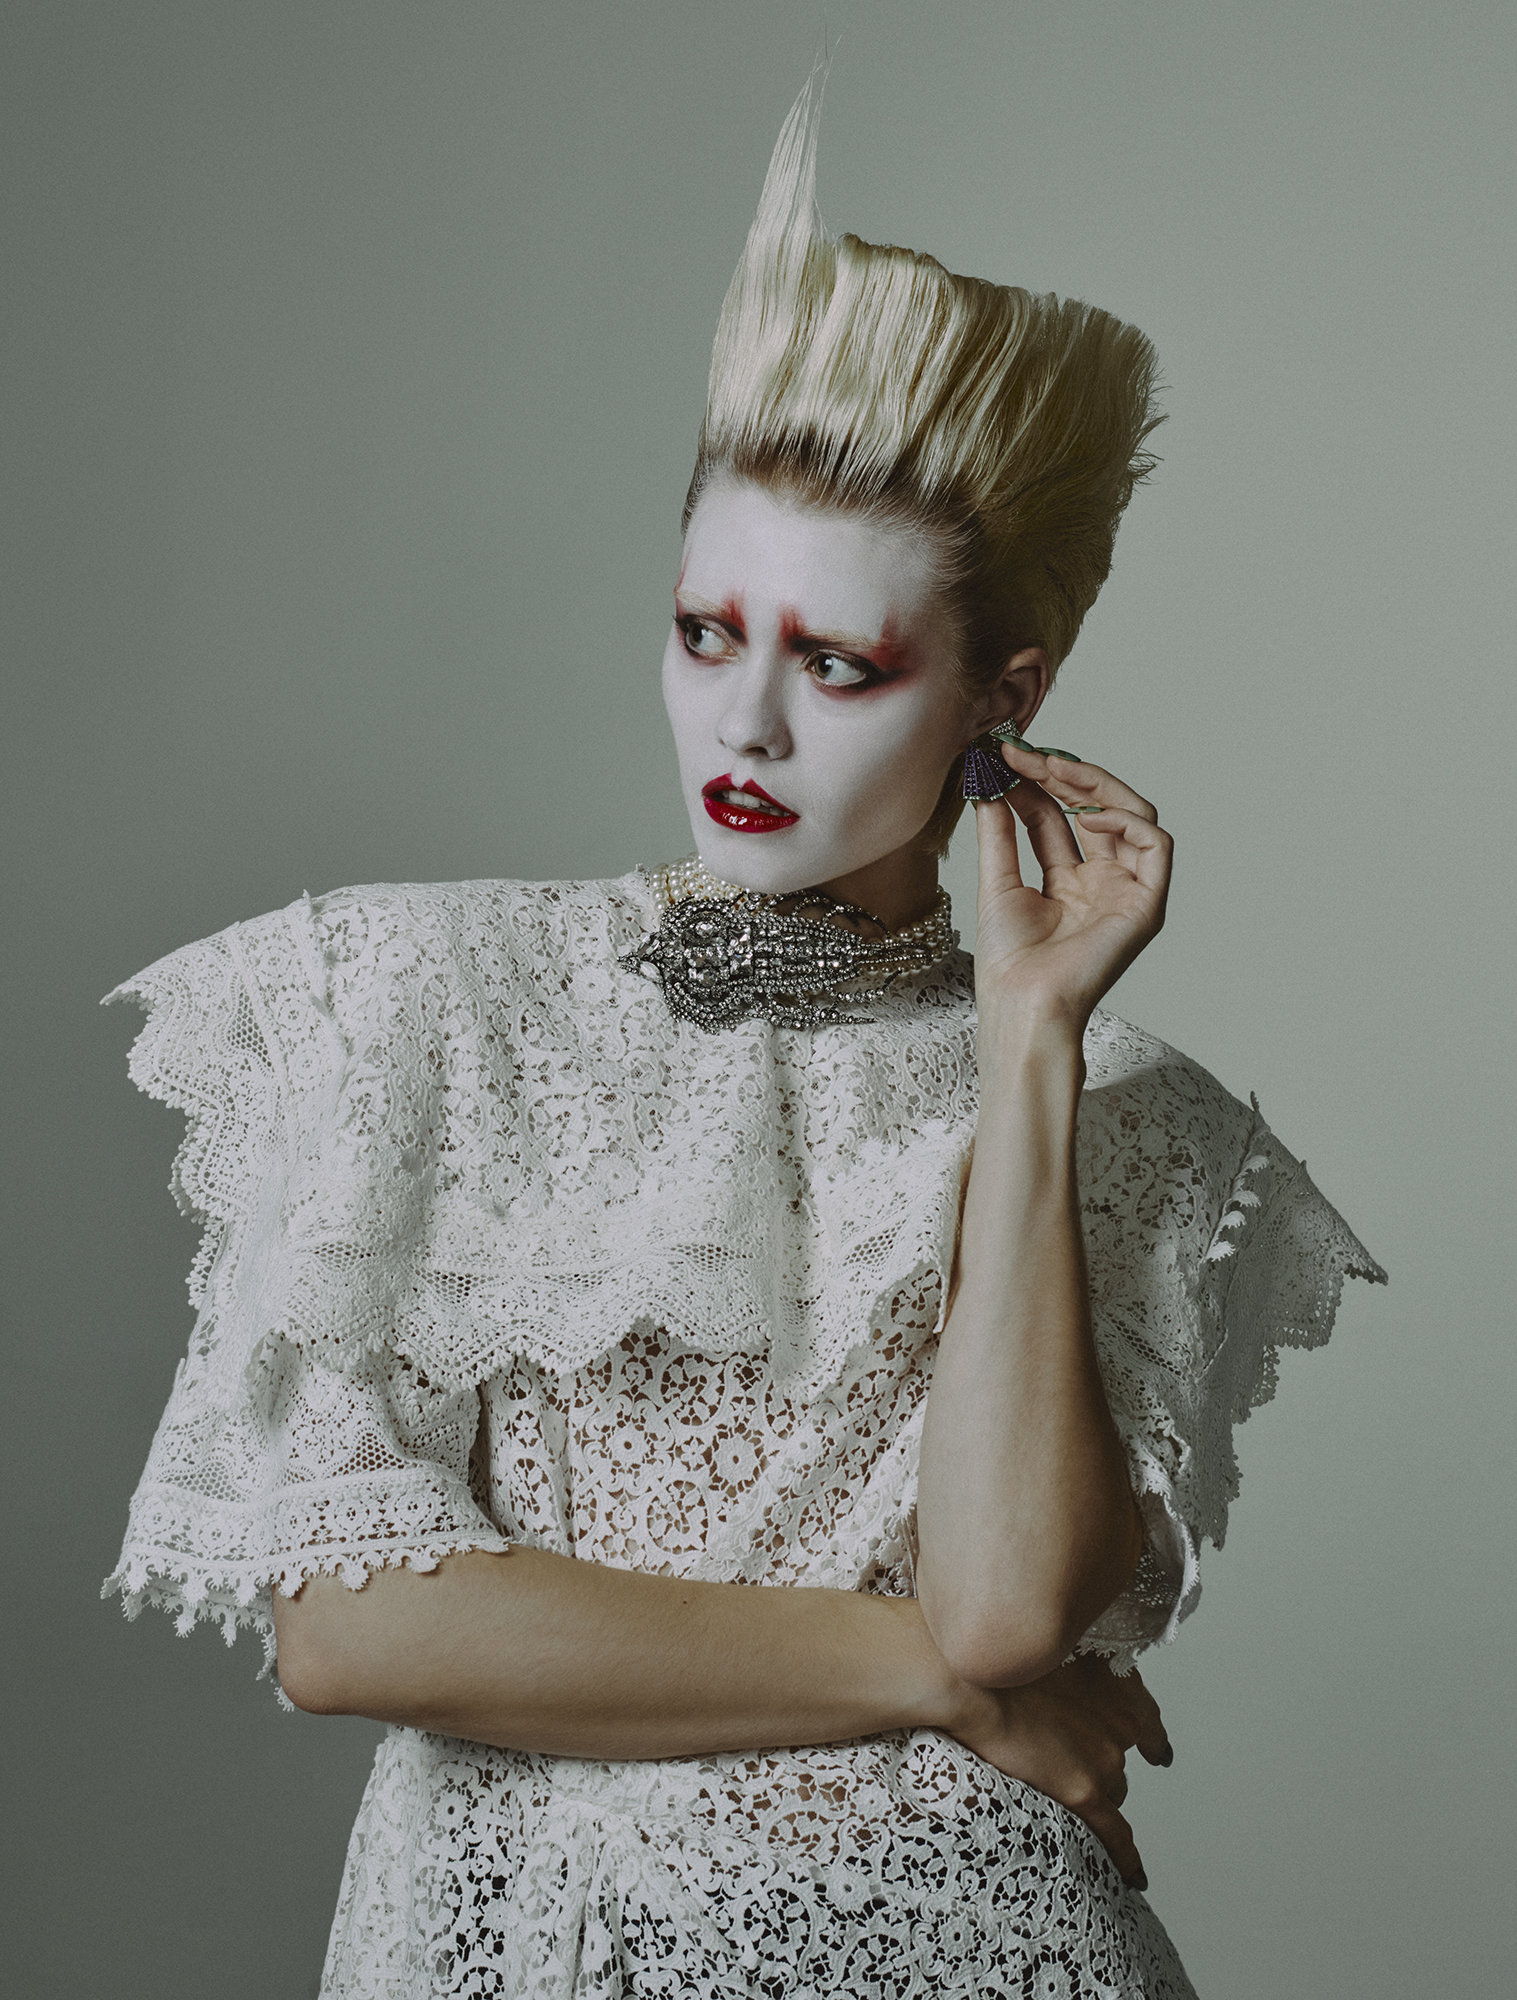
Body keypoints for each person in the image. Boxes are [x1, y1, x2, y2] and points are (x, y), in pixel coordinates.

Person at [104, 72, 1384, 1999]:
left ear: (1003, 695)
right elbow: (355, 1632)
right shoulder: (422, 996)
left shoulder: (1123, 1114)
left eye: (839, 664)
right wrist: (936, 1686)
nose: (747, 724)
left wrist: (1030, 1039)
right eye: (707, 631)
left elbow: (1004, 1605)